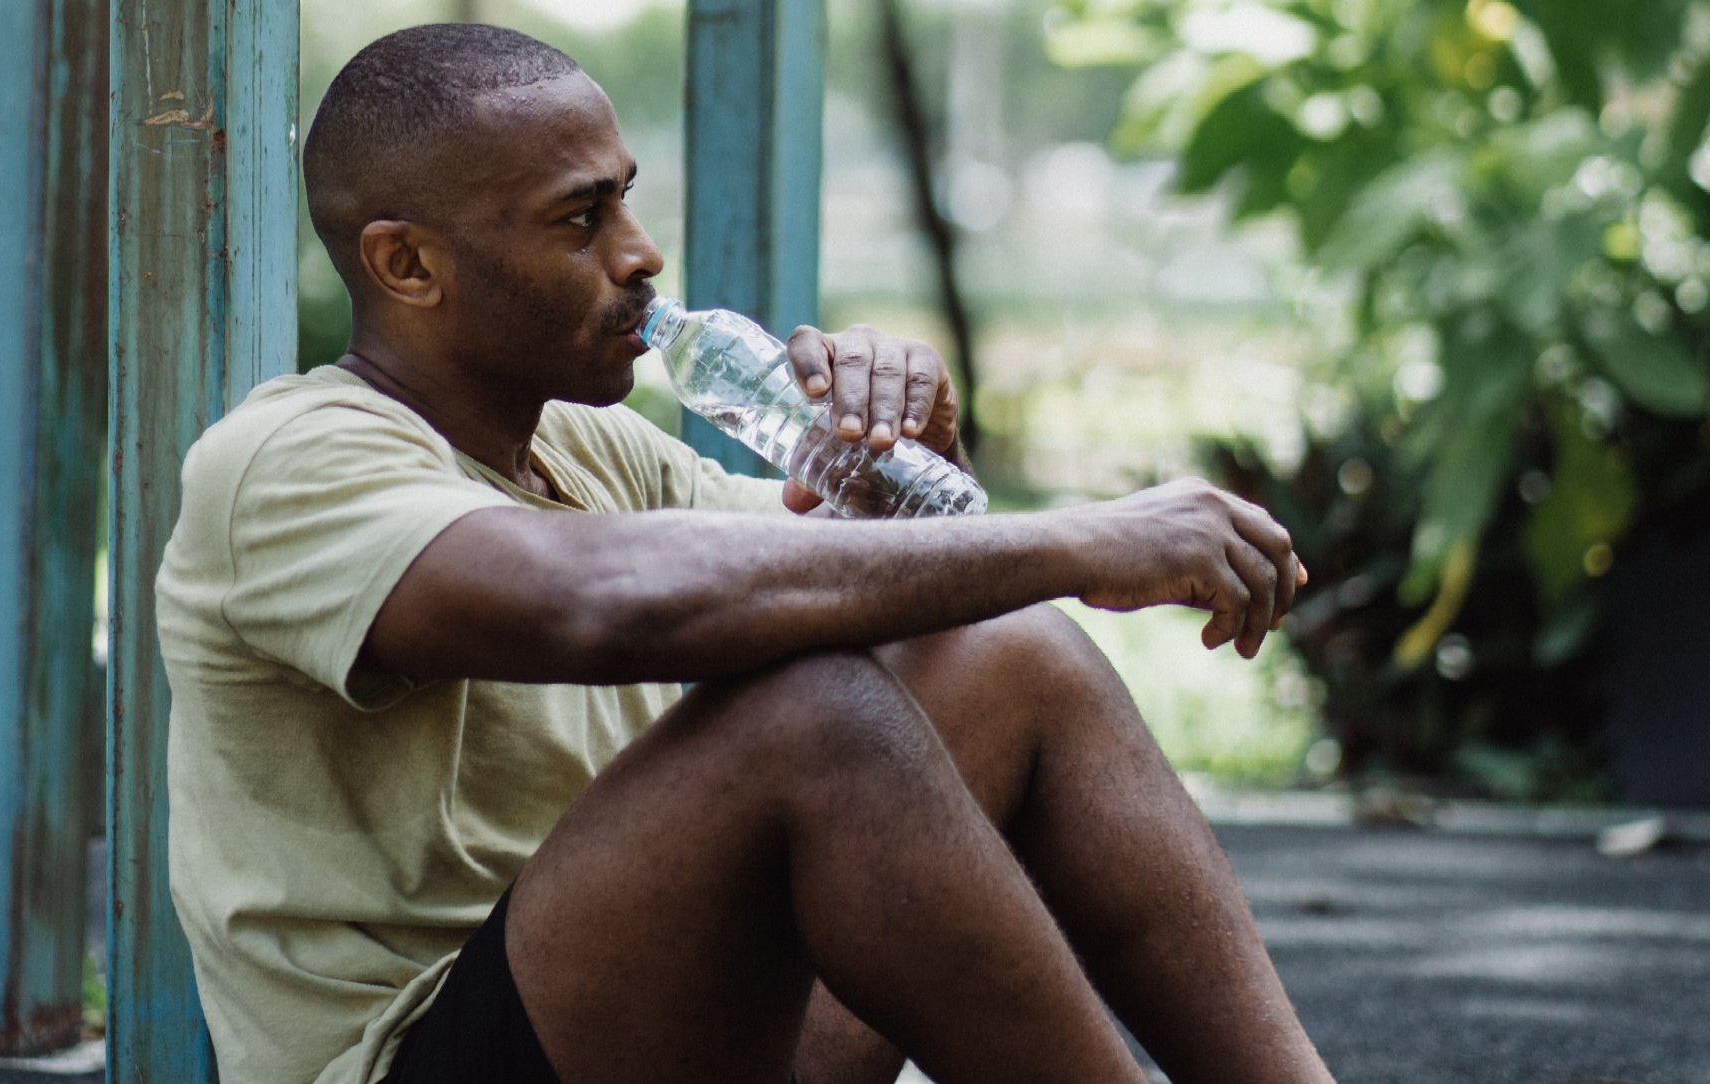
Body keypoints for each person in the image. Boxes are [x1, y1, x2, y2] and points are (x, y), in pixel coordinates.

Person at [155, 21, 1336, 1084]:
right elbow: (605, 607)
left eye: (625, 198)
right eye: (581, 218)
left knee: (1007, 652)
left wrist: (910, 463)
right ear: (407, 264)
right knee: (813, 721)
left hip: (659, 1026)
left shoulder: (587, 447)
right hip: (425, 1062)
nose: (641, 253)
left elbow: (845, 575)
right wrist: (1083, 537)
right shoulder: (285, 460)